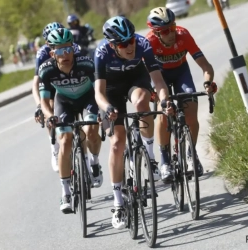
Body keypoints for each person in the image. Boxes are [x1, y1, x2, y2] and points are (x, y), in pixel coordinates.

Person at [94, 16, 173, 229]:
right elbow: (99, 93)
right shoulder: (102, 53)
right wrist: (107, 108)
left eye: (131, 41)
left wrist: (164, 100)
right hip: (111, 90)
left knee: (141, 102)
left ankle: (150, 155)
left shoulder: (143, 44)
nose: (129, 46)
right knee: (118, 144)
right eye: (122, 44)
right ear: (112, 45)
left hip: (135, 81)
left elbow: (158, 81)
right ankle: (118, 203)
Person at [146, 7, 217, 180]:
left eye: (172, 27)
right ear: (156, 32)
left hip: (180, 73)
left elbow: (206, 67)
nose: (171, 33)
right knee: (164, 112)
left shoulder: (183, 35)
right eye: (165, 31)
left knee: (191, 110)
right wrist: (152, 93)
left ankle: (192, 155)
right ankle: (165, 160)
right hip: (159, 77)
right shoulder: (149, 42)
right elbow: (143, 75)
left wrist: (208, 82)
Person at [39, 28, 103, 213]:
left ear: (73, 48)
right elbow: (44, 101)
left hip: (87, 98)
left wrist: (103, 111)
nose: (65, 54)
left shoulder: (86, 64)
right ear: (52, 53)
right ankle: (65, 192)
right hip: (64, 102)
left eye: (68, 49)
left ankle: (94, 161)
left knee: (91, 131)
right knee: (65, 141)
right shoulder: (47, 70)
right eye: (59, 50)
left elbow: (99, 90)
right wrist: (50, 115)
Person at [32, 22, 81, 172]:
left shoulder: (73, 49)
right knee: (50, 109)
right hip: (51, 86)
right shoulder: (42, 53)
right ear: (47, 42)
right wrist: (39, 105)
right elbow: (36, 83)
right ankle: (54, 147)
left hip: (71, 83)